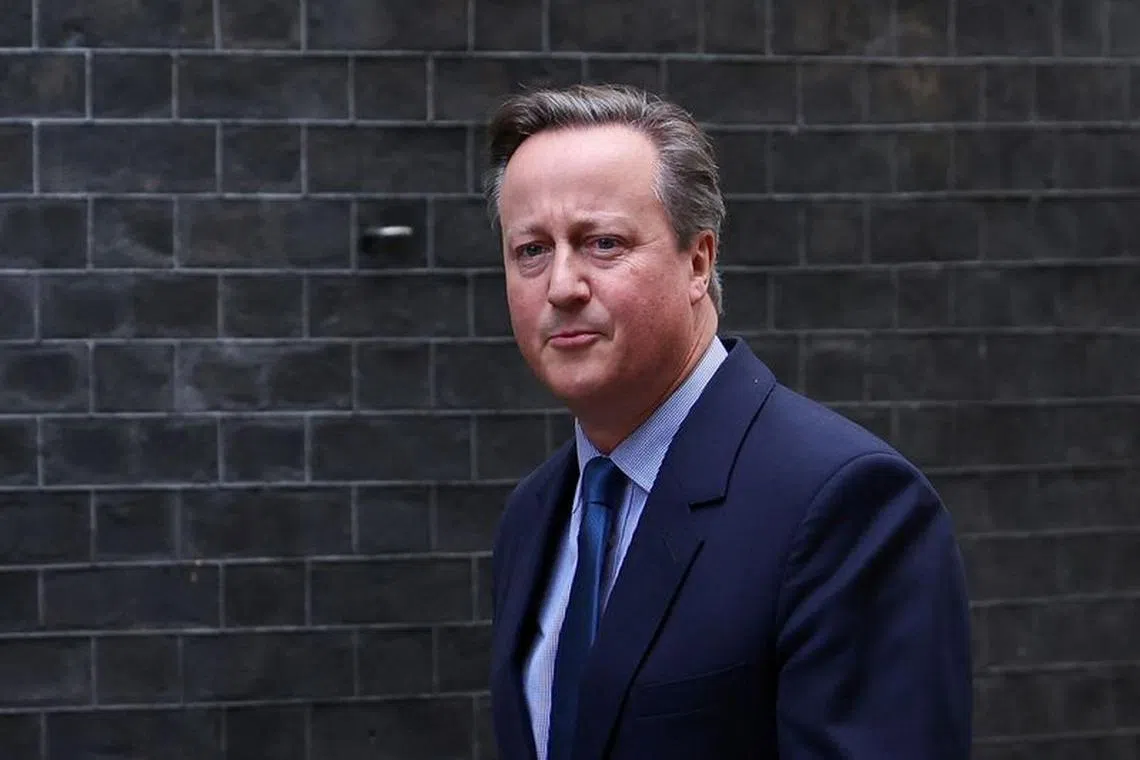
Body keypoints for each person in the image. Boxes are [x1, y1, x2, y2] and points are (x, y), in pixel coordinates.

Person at [484, 84, 972, 760]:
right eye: (531, 250)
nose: (561, 285)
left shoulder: (846, 508)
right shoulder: (534, 516)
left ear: (698, 261)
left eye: (602, 242)